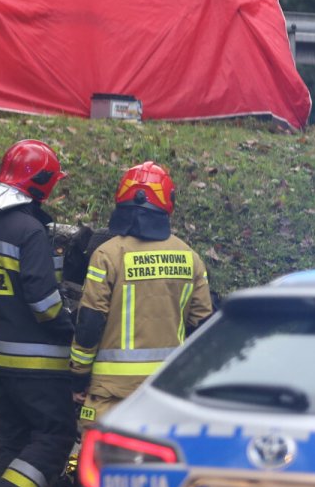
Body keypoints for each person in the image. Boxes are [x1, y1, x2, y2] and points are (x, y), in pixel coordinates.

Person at [0, 139, 76, 487]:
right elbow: (41, 297)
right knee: (54, 434)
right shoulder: (30, 231)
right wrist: (68, 324)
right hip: (36, 359)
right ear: (42, 182)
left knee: (15, 442)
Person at [69, 161, 213, 426]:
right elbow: (203, 326)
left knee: (100, 465)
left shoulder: (107, 255)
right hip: (167, 390)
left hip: (111, 393)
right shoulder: (190, 258)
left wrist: (79, 375)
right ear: (168, 202)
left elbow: (89, 323)